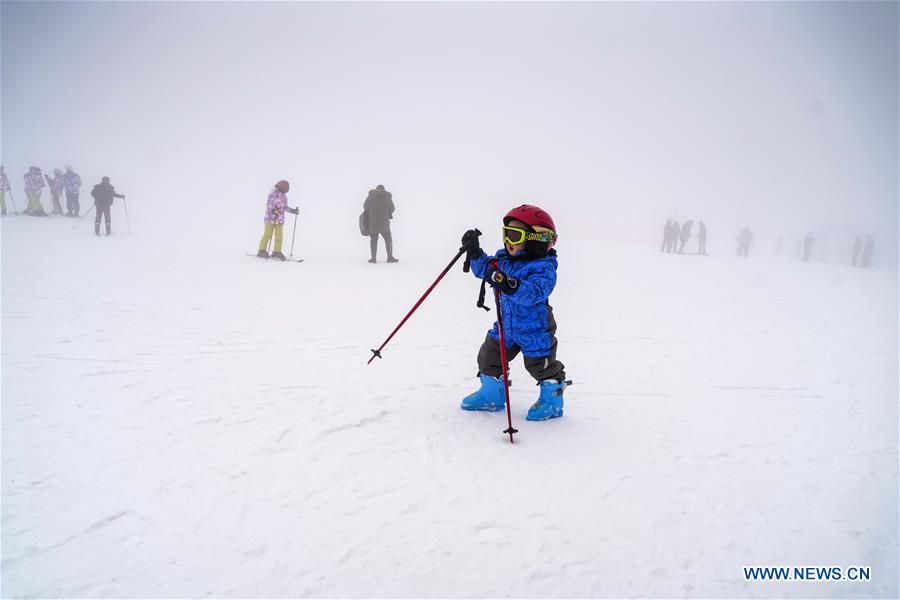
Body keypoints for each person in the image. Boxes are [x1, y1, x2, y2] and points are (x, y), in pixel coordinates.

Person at [459, 204, 568, 421]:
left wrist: (510, 284)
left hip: (535, 329)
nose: (508, 241)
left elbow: (534, 292)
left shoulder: (543, 267)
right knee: (489, 356)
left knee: (540, 366)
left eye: (515, 235)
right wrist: (475, 253)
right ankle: (493, 395)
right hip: (506, 326)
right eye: (506, 234)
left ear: (536, 239)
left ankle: (552, 401)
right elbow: (485, 270)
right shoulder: (504, 261)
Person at [256, 180, 298, 259]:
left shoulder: (284, 197)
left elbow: (284, 207)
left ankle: (276, 252)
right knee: (267, 234)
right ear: (280, 187)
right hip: (270, 219)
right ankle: (261, 250)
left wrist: (293, 211)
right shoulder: (273, 195)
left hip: (279, 220)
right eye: (285, 188)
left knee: (279, 236)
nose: (286, 190)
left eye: (287, 189)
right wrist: (274, 211)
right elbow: (269, 206)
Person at [363, 184, 397, 263]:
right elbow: (392, 208)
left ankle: (373, 258)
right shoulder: (387, 197)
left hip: (372, 223)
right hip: (384, 223)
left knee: (374, 240)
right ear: (384, 189)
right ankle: (389, 257)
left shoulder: (370, 197)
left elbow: (365, 206)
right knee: (388, 239)